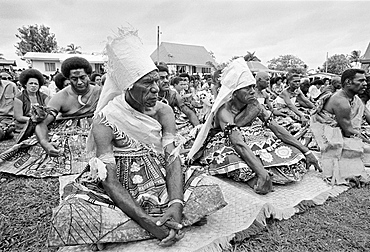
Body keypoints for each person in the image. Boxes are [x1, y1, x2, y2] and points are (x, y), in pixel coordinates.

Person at [48, 27, 225, 249]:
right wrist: (147, 222)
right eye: (147, 84)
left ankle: (163, 219)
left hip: (159, 176)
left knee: (209, 190)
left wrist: (177, 203)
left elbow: (172, 158)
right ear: (128, 86)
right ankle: (155, 222)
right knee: (73, 213)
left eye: (157, 82)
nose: (156, 90)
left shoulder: (163, 111)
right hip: (121, 182)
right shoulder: (106, 119)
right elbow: (109, 178)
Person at [188, 58, 321, 195]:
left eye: (252, 87)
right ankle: (259, 175)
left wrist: (307, 152)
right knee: (230, 159)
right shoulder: (224, 111)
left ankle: (261, 174)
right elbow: (238, 143)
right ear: (234, 92)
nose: (252, 91)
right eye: (247, 88)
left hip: (249, 140)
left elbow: (277, 130)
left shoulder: (255, 104)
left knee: (296, 154)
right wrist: (262, 173)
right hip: (224, 141)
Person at [0, 57, 101, 177]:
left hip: (96, 128)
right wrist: (45, 143)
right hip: (69, 131)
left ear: (89, 76)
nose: (79, 82)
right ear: (68, 79)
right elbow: (42, 123)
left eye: (83, 77)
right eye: (74, 79)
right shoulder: (61, 96)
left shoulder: (100, 92)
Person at [310, 69, 370, 186]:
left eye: (365, 80)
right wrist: (367, 139)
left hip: (345, 133)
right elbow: (349, 132)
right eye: (361, 80)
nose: (365, 84)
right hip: (330, 138)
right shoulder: (340, 101)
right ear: (348, 82)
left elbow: (367, 116)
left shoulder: (355, 98)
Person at [0, 72, 18, 140]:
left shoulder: (11, 85)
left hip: (7, 118)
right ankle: (7, 132)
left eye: (9, 78)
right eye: (4, 78)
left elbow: (19, 102)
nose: (7, 80)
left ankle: (6, 130)